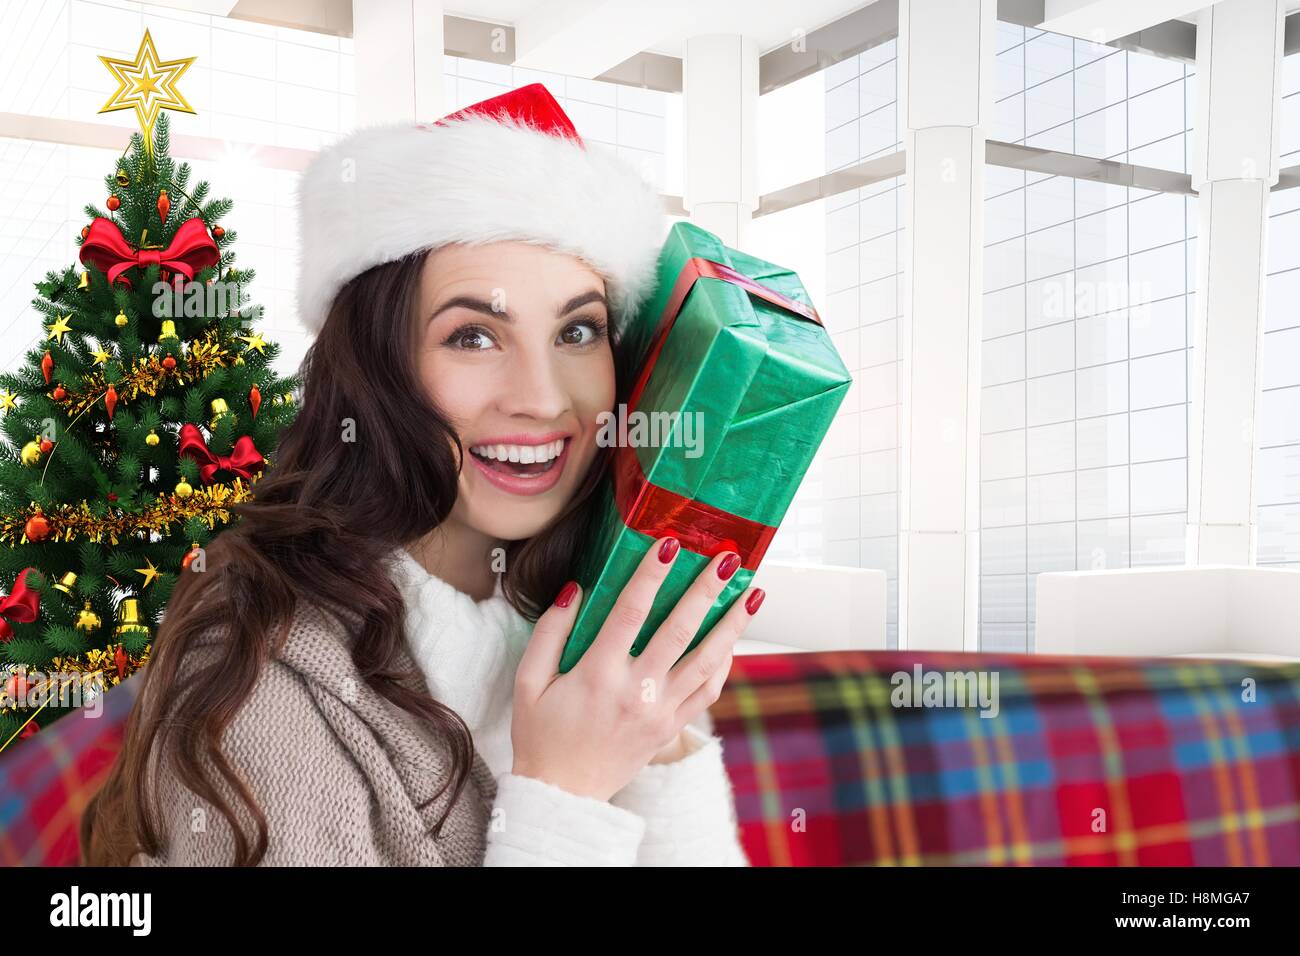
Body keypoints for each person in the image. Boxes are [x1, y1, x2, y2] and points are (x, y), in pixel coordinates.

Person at [80, 84, 762, 866]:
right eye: (472, 337)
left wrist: (658, 743)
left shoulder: (586, 608)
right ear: (376, 370)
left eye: (578, 330)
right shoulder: (261, 673)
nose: (543, 400)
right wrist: (566, 794)